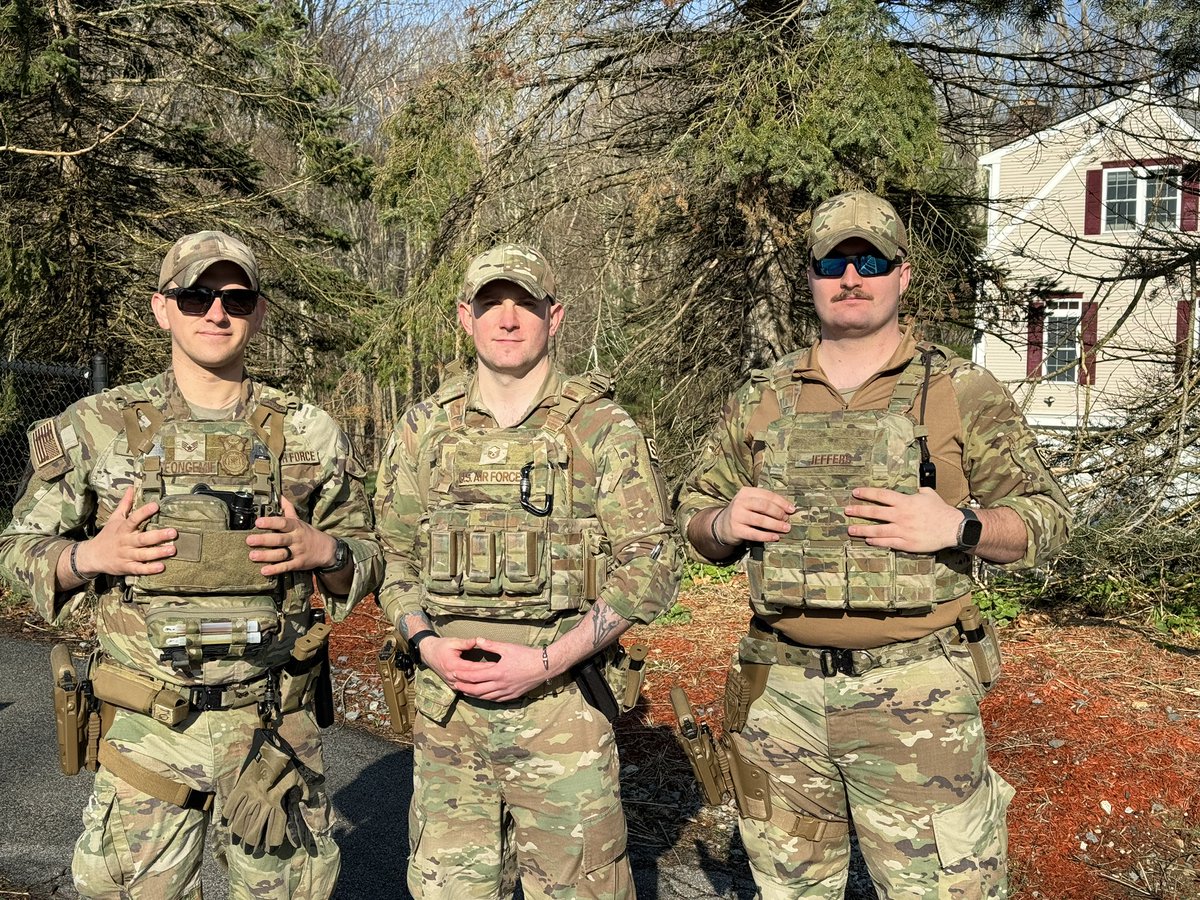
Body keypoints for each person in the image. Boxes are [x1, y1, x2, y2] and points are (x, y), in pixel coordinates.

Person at [676, 191, 1071, 899]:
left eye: (869, 260)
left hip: (918, 693)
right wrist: (723, 523)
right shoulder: (761, 397)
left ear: (902, 274)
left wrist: (959, 526)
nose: (850, 275)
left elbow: (1045, 518)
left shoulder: (958, 390)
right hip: (781, 697)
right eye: (833, 260)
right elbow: (694, 519)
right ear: (811, 276)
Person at [0, 231, 382, 899]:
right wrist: (90, 556)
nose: (216, 312)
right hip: (147, 735)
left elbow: (373, 558)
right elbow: (16, 548)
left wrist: (328, 553)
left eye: (235, 297)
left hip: (271, 737)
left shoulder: (309, 432)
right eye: (196, 295)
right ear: (162, 307)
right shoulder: (97, 425)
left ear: (259, 311)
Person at [374, 243, 682, 899]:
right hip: (449, 718)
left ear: (555, 314)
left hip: (563, 714)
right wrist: (426, 644)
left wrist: (547, 661)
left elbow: (652, 560)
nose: (508, 320)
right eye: (491, 304)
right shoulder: (423, 429)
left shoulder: (601, 429)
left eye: (525, 304)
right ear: (466, 316)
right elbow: (389, 554)